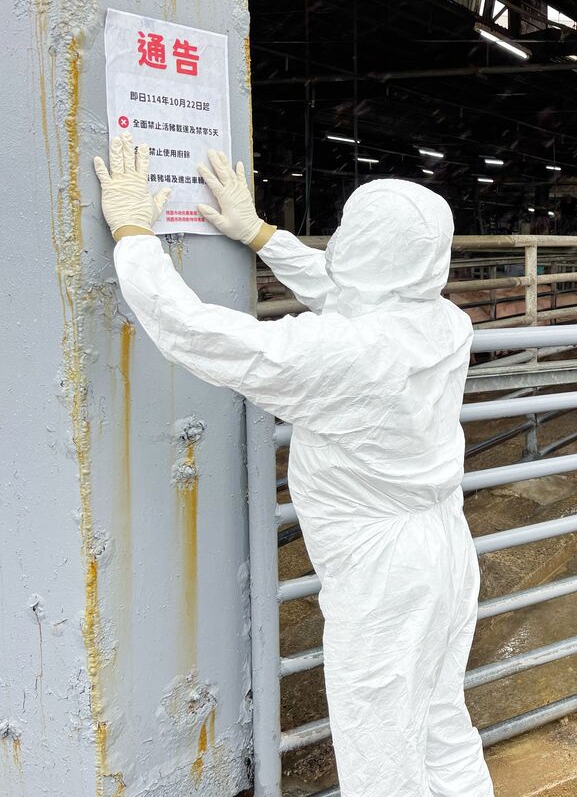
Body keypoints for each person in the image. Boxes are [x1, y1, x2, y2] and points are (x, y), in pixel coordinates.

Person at [95, 134, 494, 797]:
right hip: (447, 548)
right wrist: (258, 233)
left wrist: (134, 232)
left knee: (382, 754)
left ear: (361, 246)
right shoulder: (443, 323)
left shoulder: (342, 351)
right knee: (440, 720)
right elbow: (354, 296)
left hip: (384, 573)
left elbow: (196, 332)